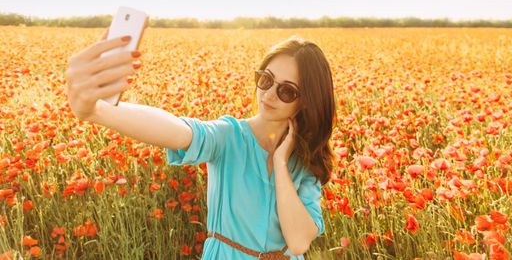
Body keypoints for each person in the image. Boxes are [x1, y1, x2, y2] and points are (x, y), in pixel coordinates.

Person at [66, 30, 337, 259]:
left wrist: (280, 163)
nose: (268, 94)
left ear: (306, 101)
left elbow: (299, 241)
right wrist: (98, 112)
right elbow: (179, 130)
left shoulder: (305, 162)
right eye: (265, 79)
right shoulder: (229, 136)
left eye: (287, 90)